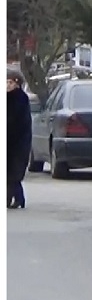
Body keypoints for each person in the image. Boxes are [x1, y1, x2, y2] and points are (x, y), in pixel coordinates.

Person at [7, 70, 30, 209]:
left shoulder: (21, 98)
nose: (8, 85)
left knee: (13, 173)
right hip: (7, 140)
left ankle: (12, 199)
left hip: (18, 141)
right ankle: (18, 198)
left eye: (11, 83)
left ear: (17, 84)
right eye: (6, 82)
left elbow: (20, 121)